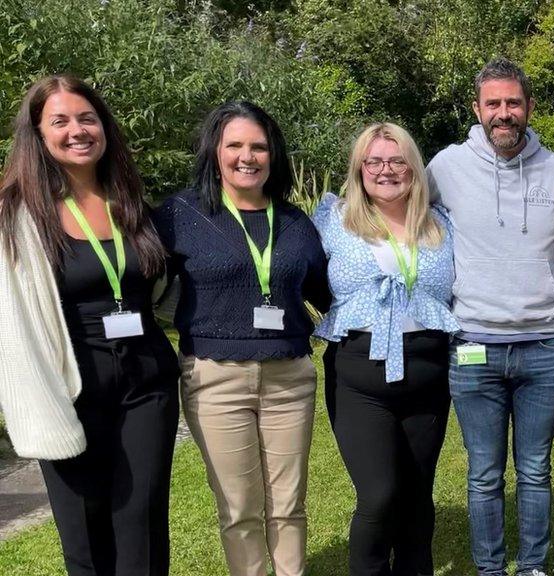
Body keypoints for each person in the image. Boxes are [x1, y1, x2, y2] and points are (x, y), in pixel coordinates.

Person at [0, 74, 178, 575]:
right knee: (84, 535)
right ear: (37, 134)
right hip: (67, 388)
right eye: (59, 121)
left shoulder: (132, 203)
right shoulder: (16, 216)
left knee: (141, 524)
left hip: (146, 383)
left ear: (104, 127)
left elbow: (162, 285)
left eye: (87, 118)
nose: (77, 130)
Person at [425, 57, 554, 576]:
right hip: (473, 345)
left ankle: (534, 566)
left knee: (536, 470)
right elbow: (397, 211)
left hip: (546, 345)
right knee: (484, 473)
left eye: (513, 103)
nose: (503, 113)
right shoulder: (445, 168)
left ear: (529, 107)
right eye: (493, 103)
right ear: (477, 109)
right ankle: (490, 569)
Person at [154, 101, 329, 576]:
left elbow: (327, 292)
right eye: (234, 145)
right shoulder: (178, 215)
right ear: (214, 151)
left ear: (273, 155)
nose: (246, 156)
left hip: (290, 379)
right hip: (215, 379)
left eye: (258, 146)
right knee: (239, 510)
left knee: (289, 504)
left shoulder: (295, 223)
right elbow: (135, 276)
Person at [312, 122, 459, 576]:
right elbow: (299, 275)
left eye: (397, 160)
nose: (386, 170)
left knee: (417, 496)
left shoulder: (441, 225)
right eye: (373, 161)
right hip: (360, 377)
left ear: (413, 168)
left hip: (428, 377)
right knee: (378, 497)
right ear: (359, 169)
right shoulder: (333, 220)